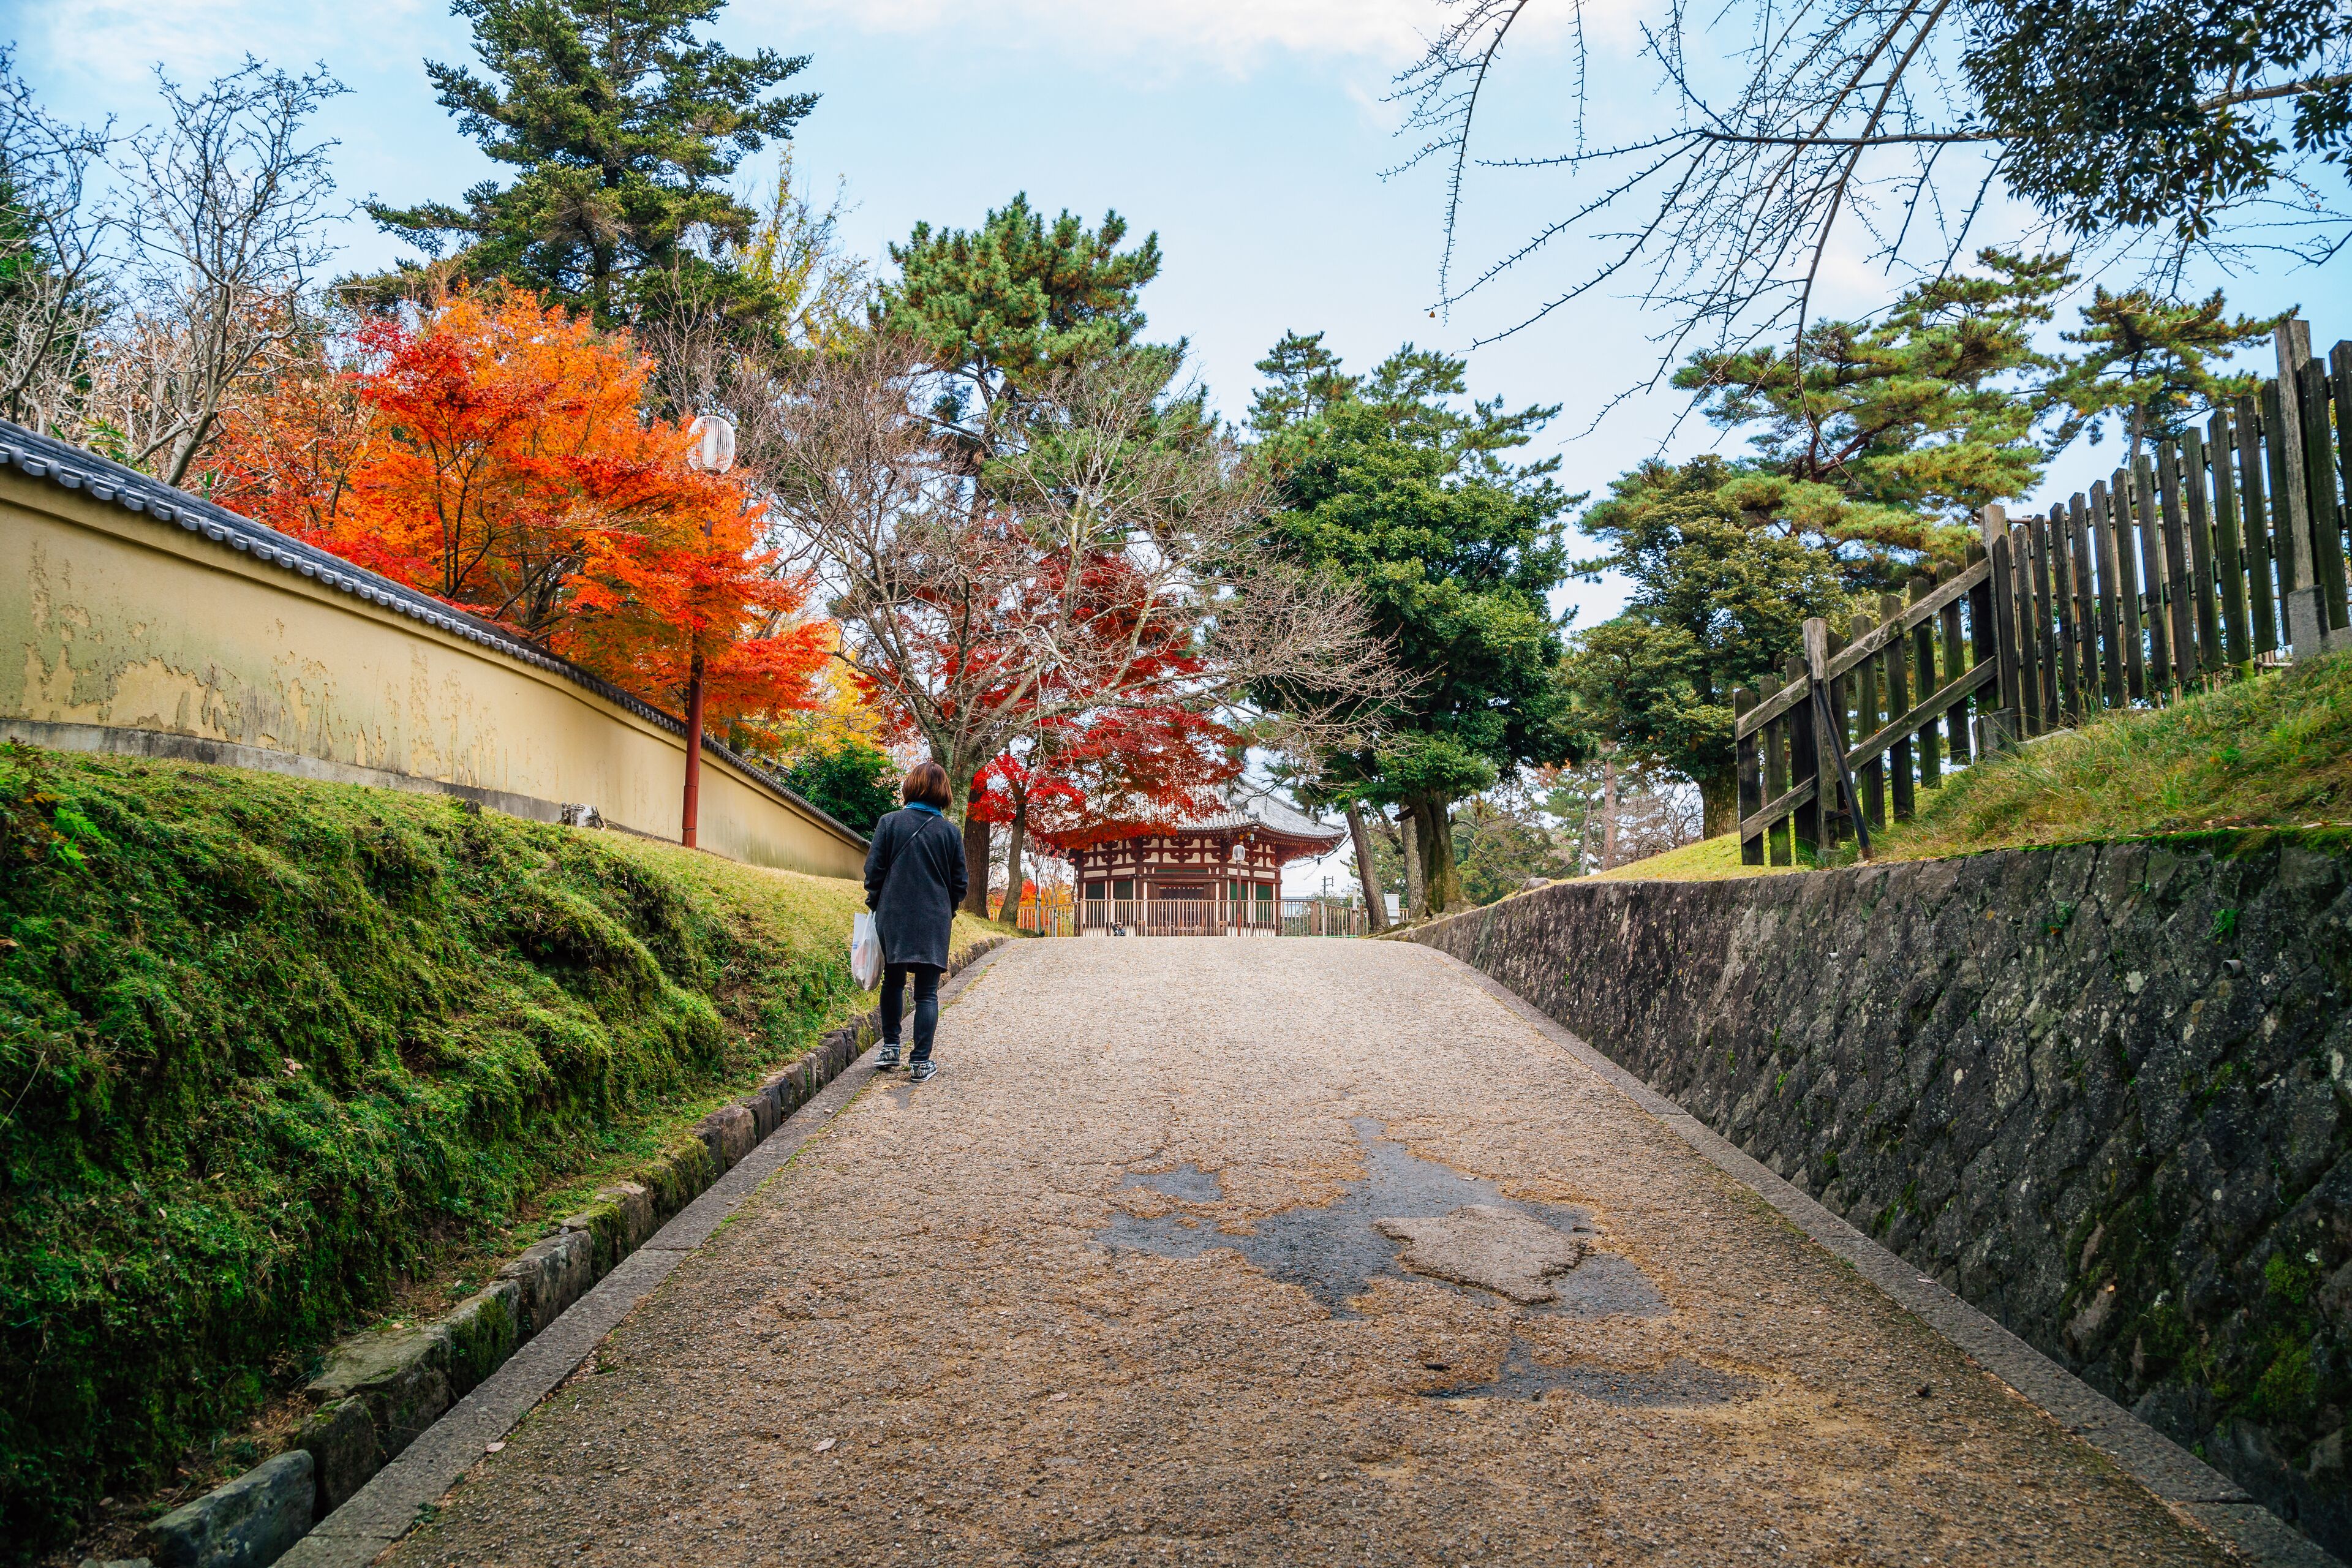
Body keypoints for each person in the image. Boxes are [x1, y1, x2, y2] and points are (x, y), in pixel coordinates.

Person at [861, 760, 967, 1082]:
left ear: (911, 785)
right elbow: (960, 883)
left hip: (894, 914)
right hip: (933, 918)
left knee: (893, 982)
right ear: (943, 792)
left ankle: (890, 1047)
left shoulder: (890, 822)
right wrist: (944, 909)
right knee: (927, 993)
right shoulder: (950, 832)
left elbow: (873, 871)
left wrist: (877, 901)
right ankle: (921, 1063)